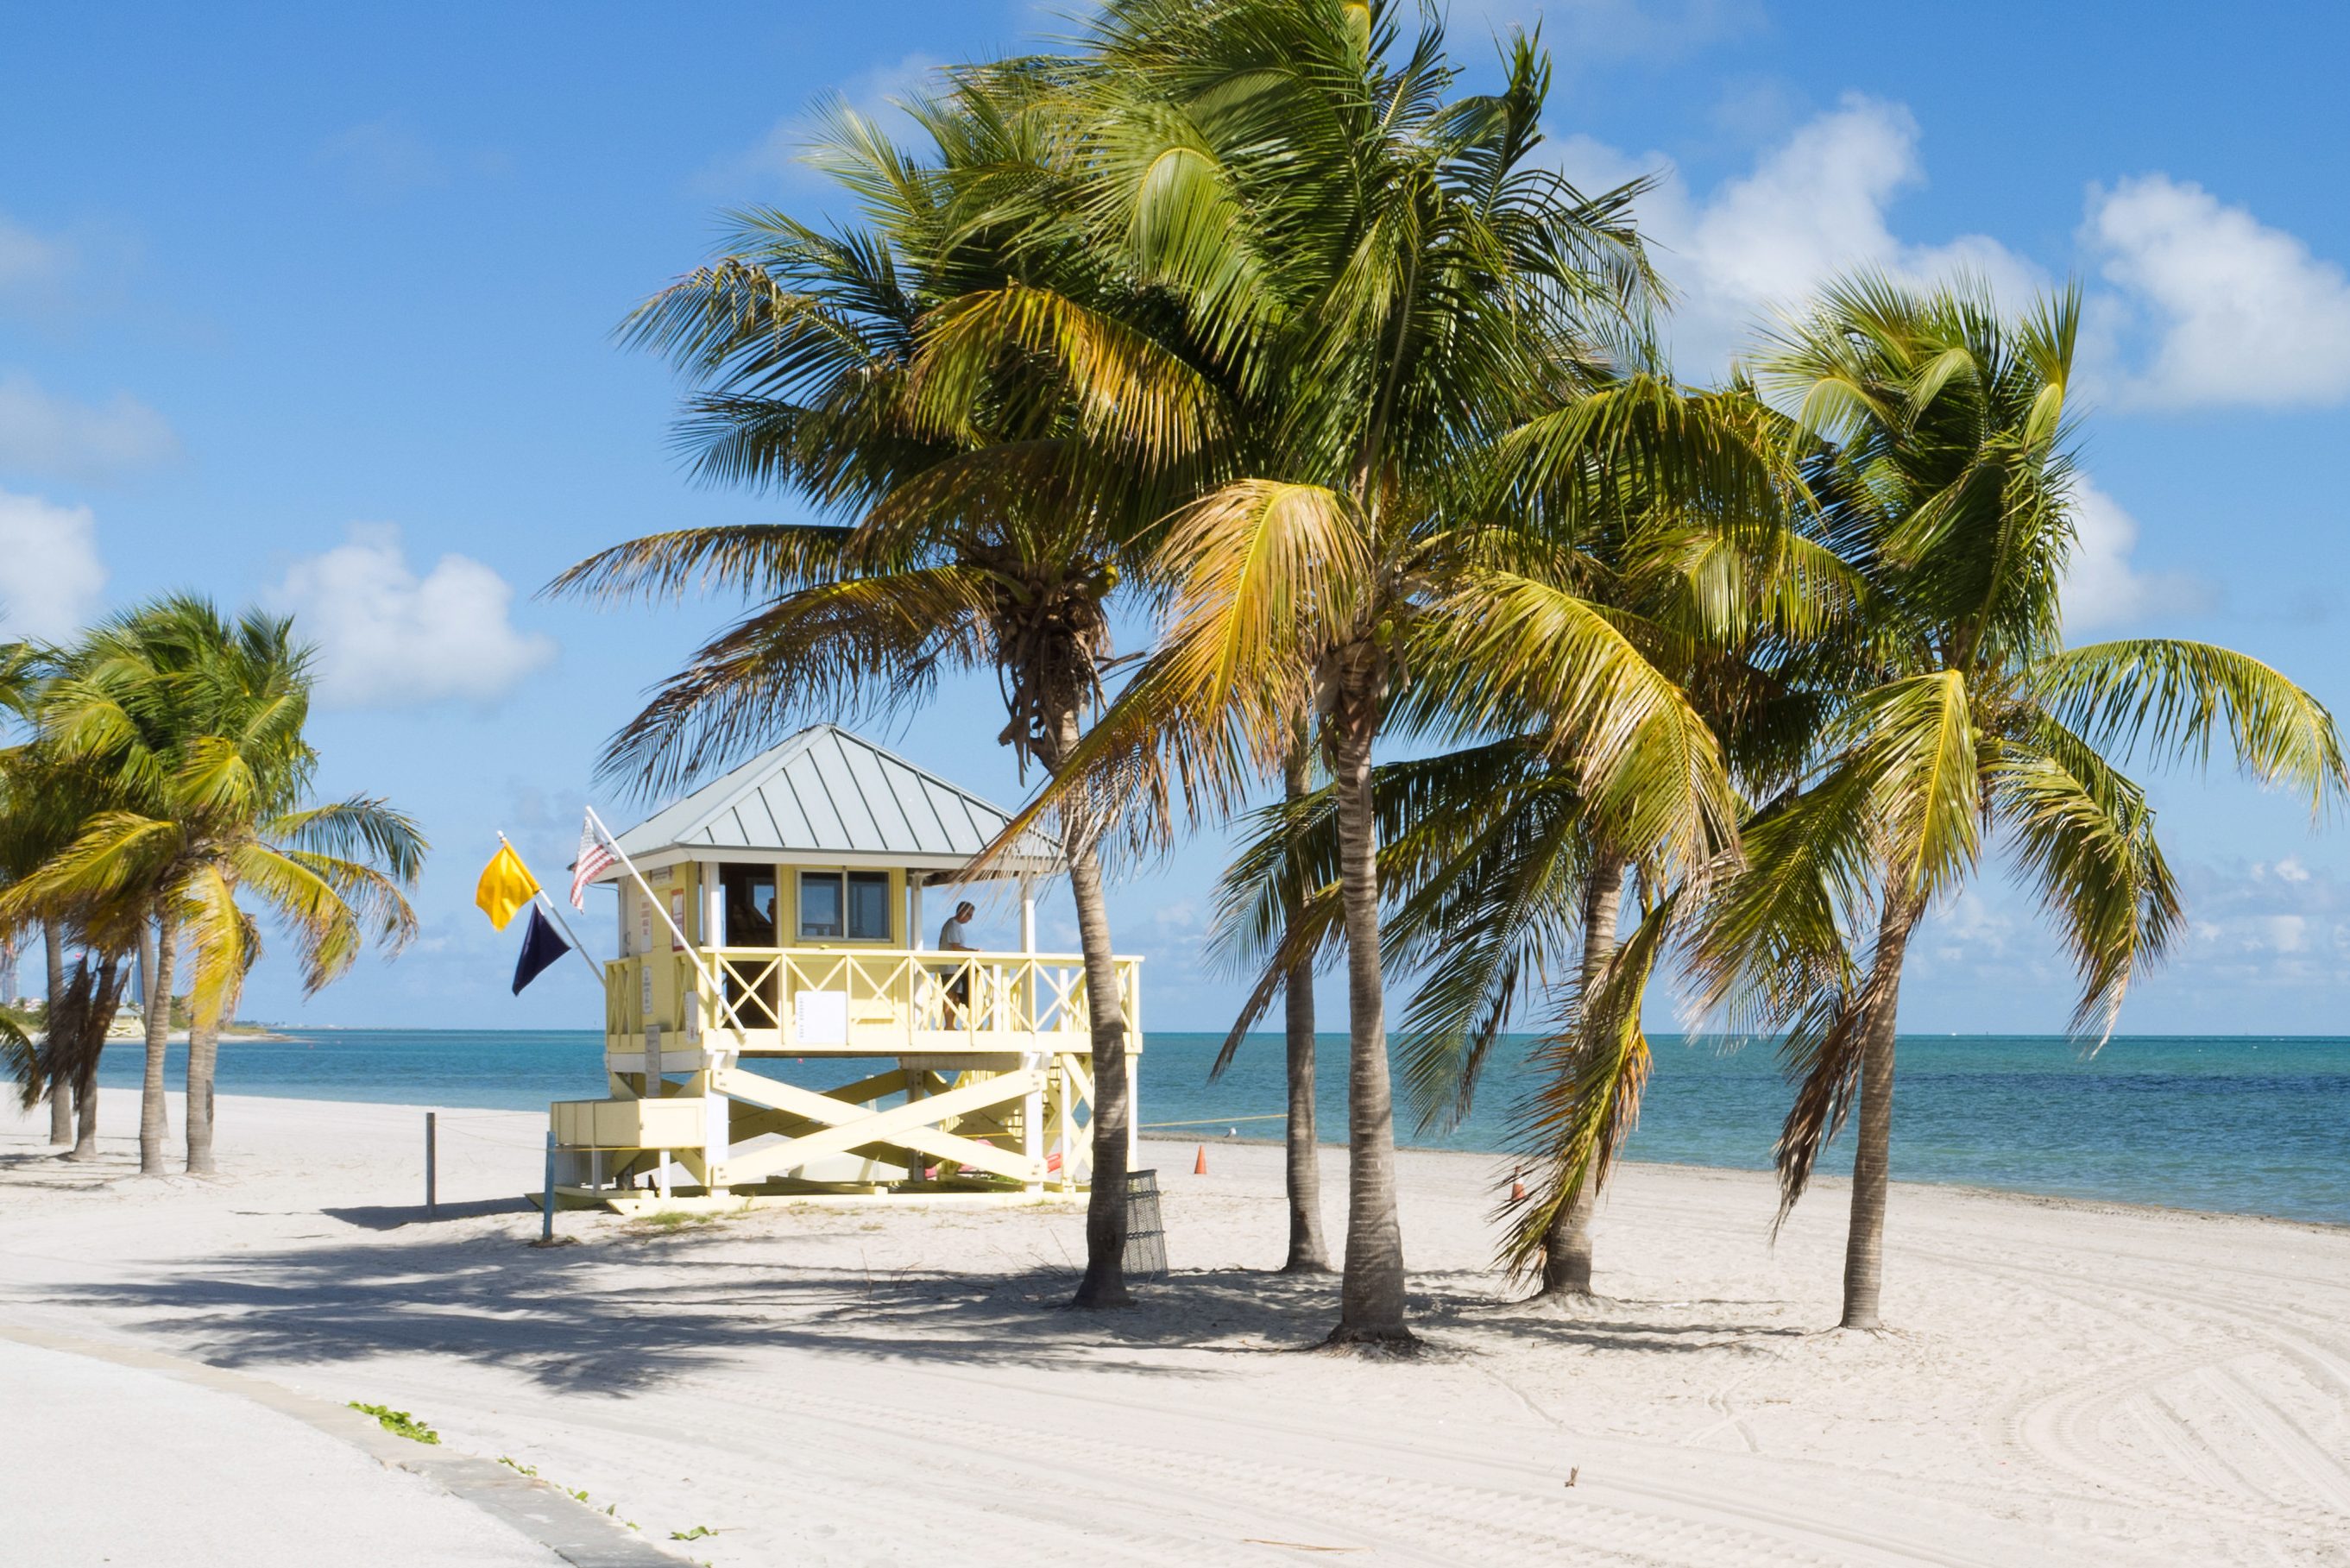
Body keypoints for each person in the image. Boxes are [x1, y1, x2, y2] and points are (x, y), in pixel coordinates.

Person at [936, 900, 977, 1023]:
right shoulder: (952, 925)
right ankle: (948, 1025)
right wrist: (973, 951)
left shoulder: (956, 926)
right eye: (969, 915)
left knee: (957, 996)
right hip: (949, 966)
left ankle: (951, 1024)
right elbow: (955, 947)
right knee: (950, 994)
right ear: (962, 912)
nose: (970, 918)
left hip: (956, 967)